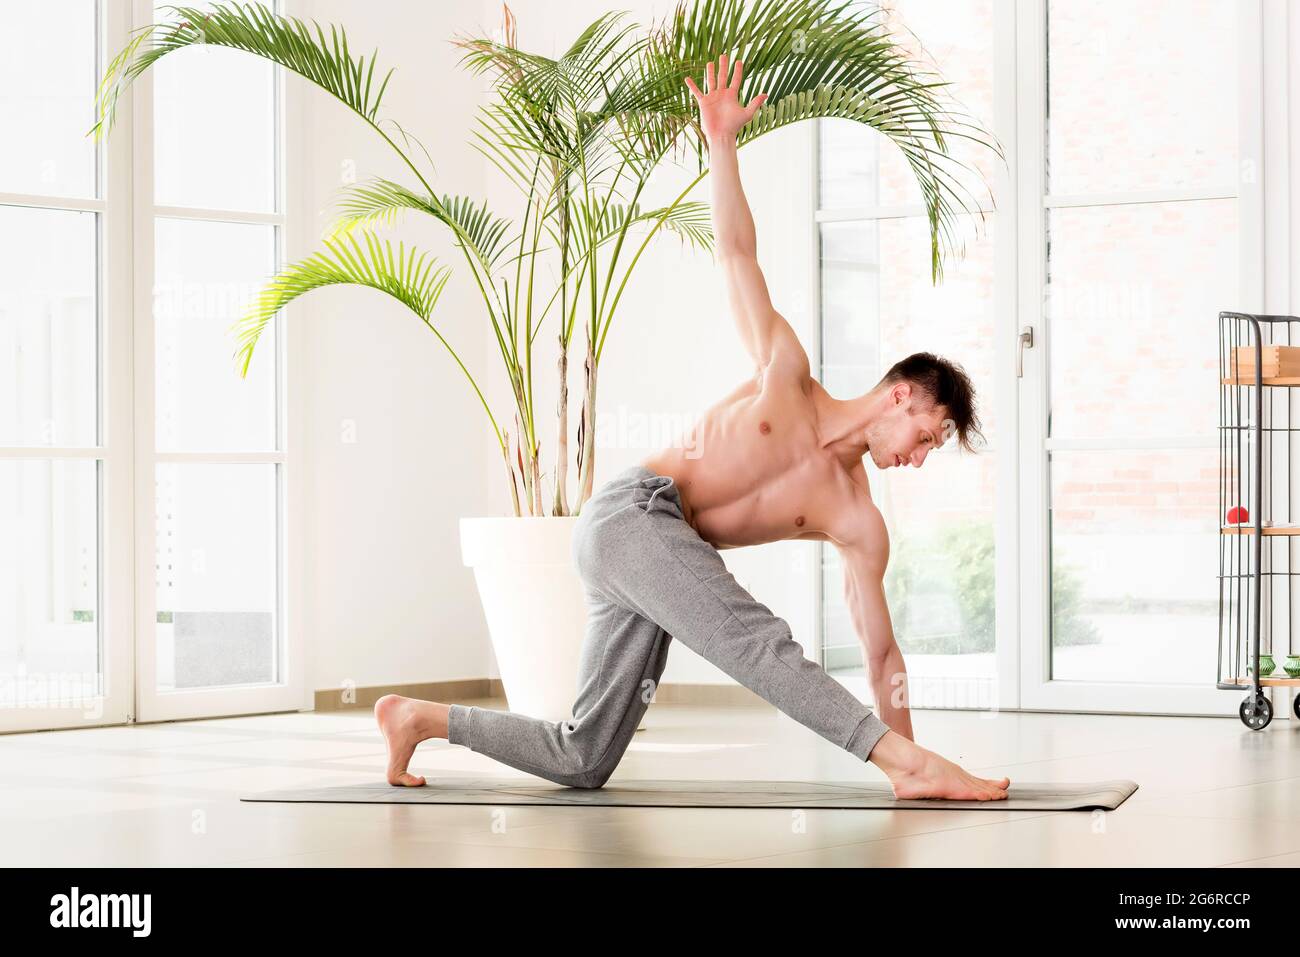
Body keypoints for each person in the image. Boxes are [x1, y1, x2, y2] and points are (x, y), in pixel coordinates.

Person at [375, 54, 1010, 802]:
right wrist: (721, 142)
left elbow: (880, 651)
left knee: (584, 757)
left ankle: (418, 717)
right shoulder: (786, 373)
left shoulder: (858, 520)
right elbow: (738, 254)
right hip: (633, 515)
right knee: (757, 641)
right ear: (900, 396)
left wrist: (913, 743)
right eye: (929, 436)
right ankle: (904, 767)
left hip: (656, 562)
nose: (921, 457)